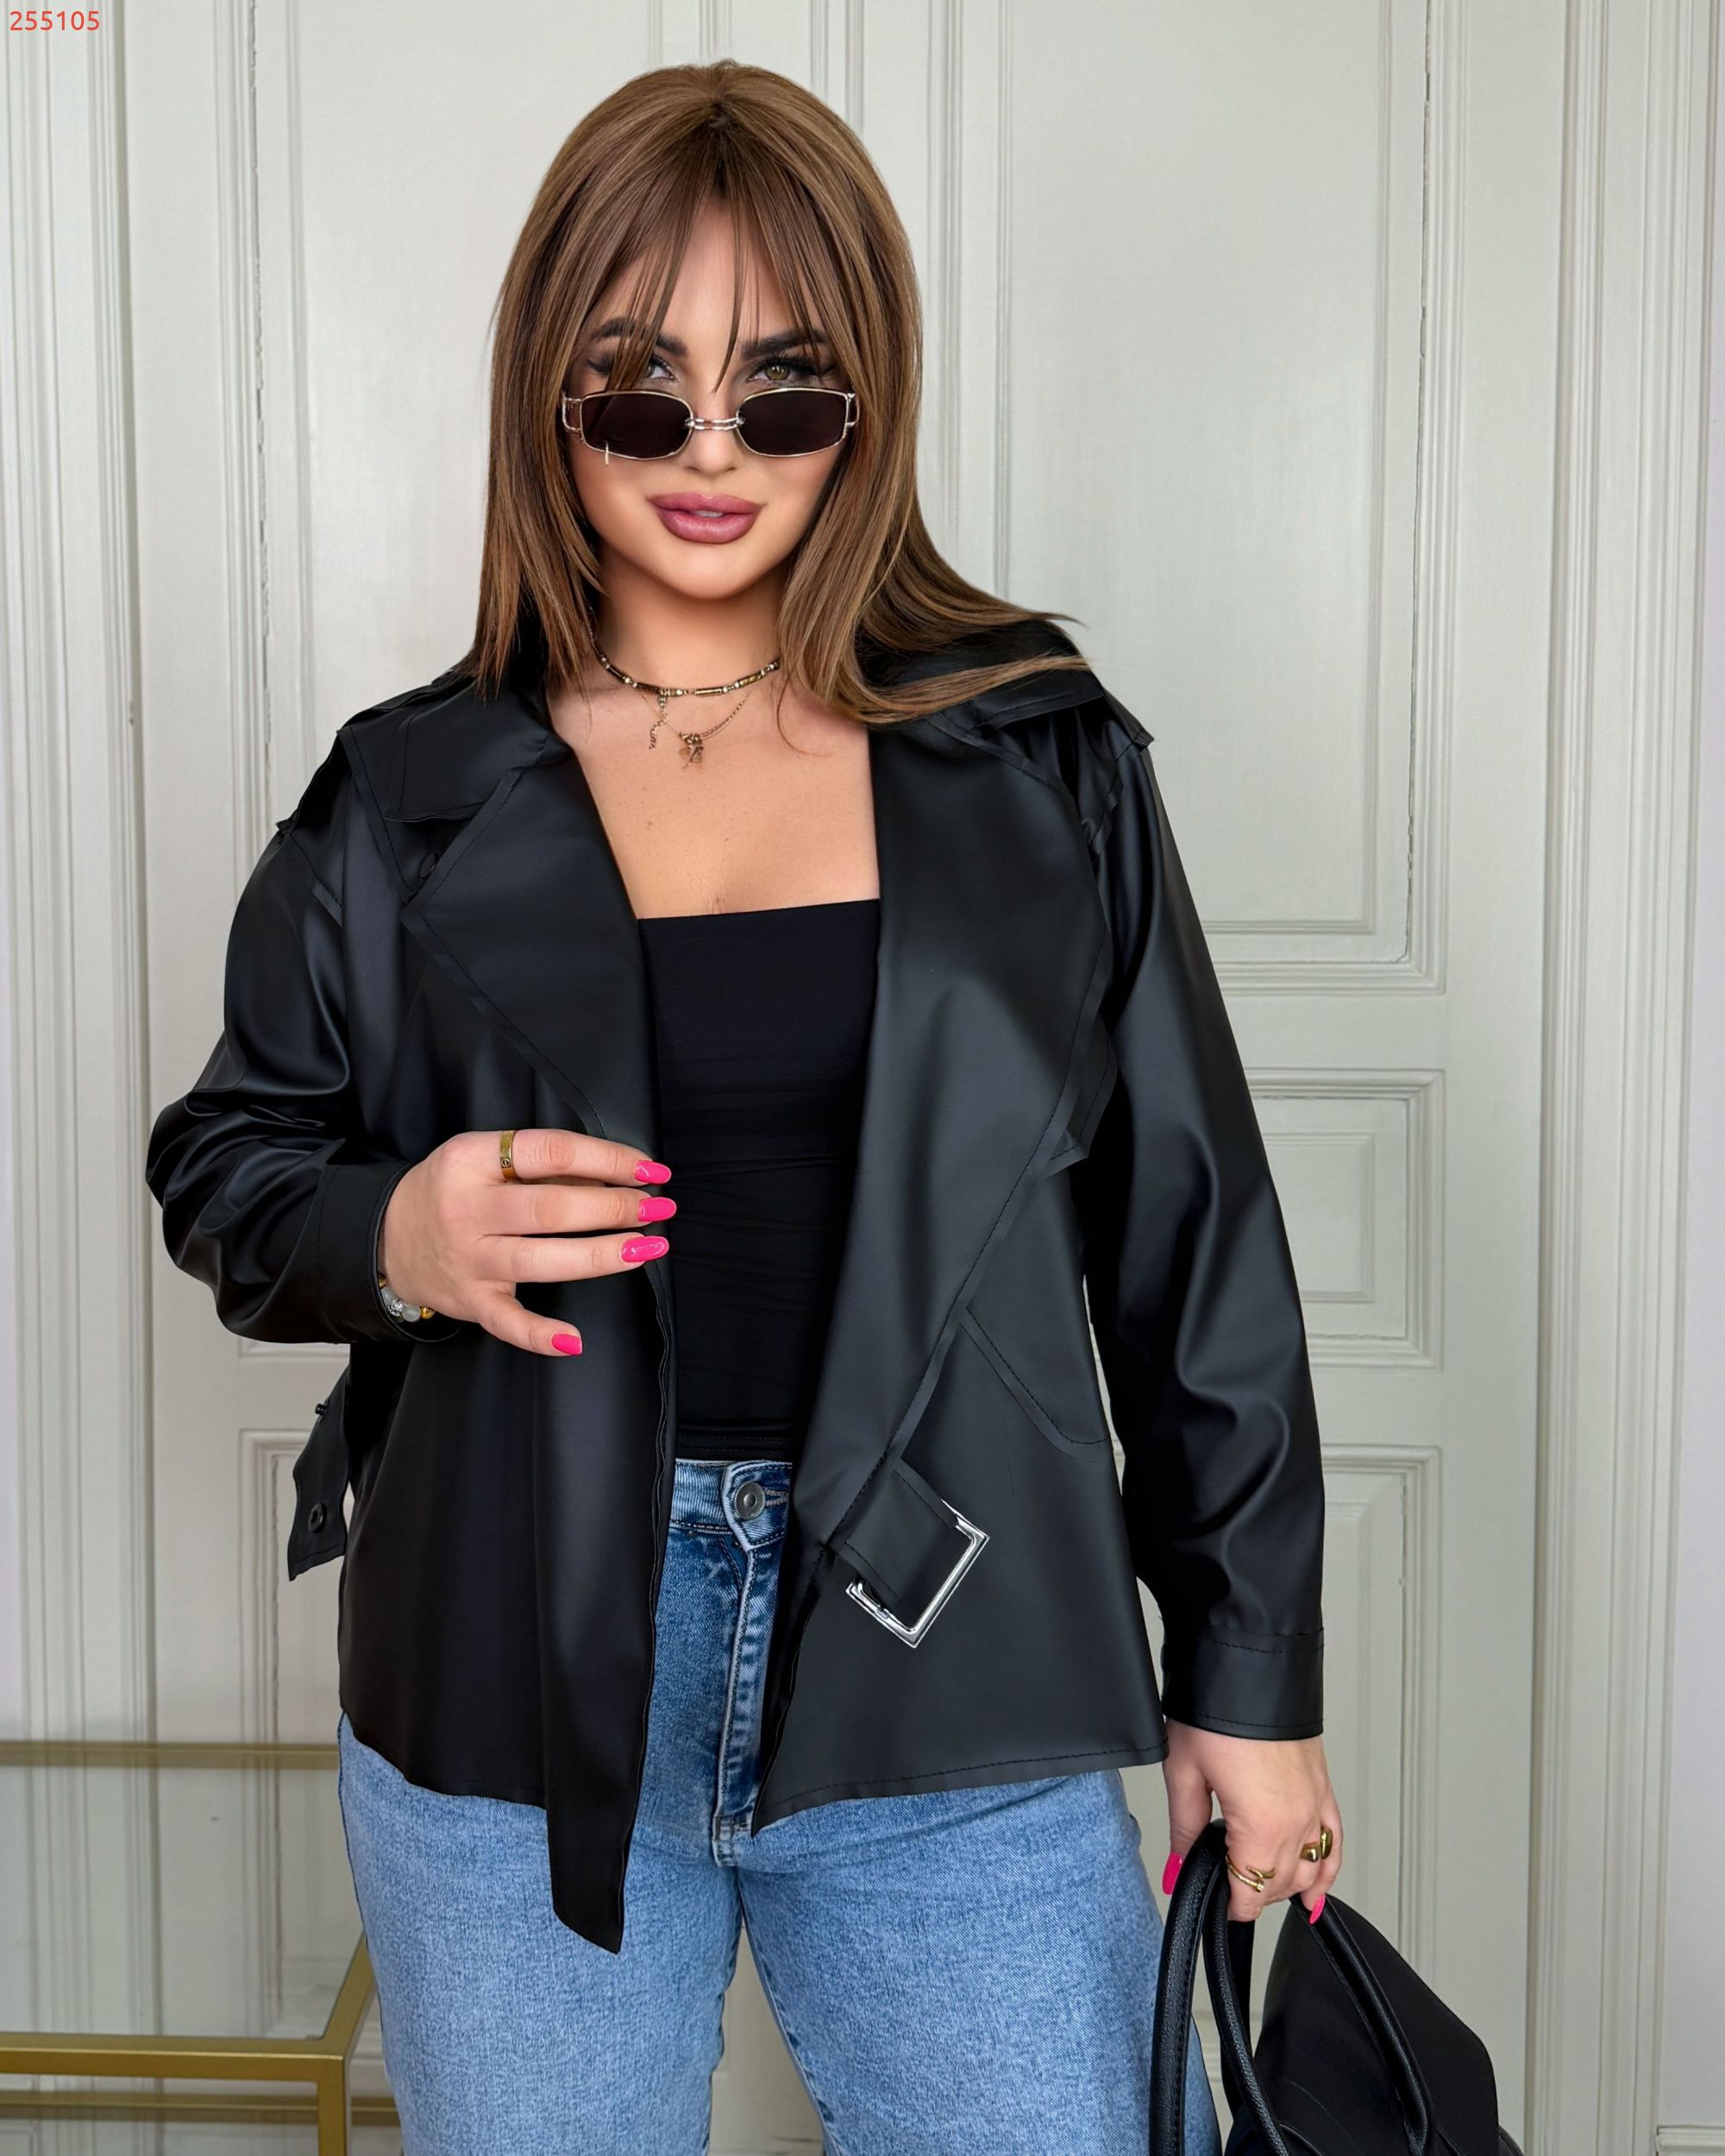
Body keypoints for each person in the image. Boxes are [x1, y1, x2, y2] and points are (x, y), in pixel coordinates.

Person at [146, 57, 1342, 2156]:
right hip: (507, 1676)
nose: (710, 449)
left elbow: (1193, 1236)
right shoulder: (405, 791)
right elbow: (228, 1158)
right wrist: (396, 1230)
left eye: (781, 388)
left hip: (958, 1653)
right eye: (640, 388)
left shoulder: (1038, 760)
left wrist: (1246, 1681)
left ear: (865, 405)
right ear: (549, 396)